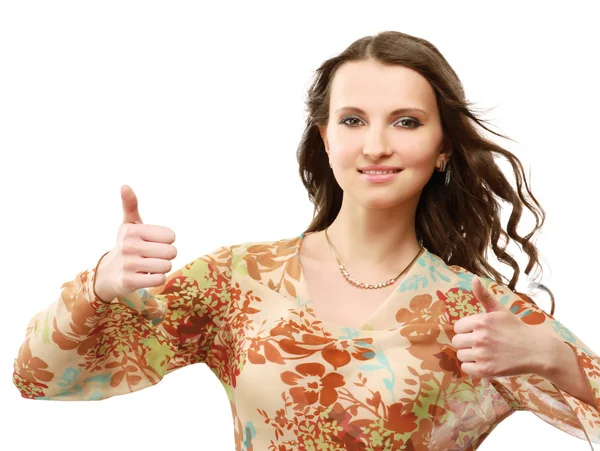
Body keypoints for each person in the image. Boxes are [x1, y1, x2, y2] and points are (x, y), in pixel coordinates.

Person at [12, 30, 600, 450]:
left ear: (443, 147)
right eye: (352, 120)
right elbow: (38, 379)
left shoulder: (481, 314)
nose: (376, 145)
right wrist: (100, 284)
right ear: (324, 138)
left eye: (406, 121)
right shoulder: (237, 280)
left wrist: (559, 362)